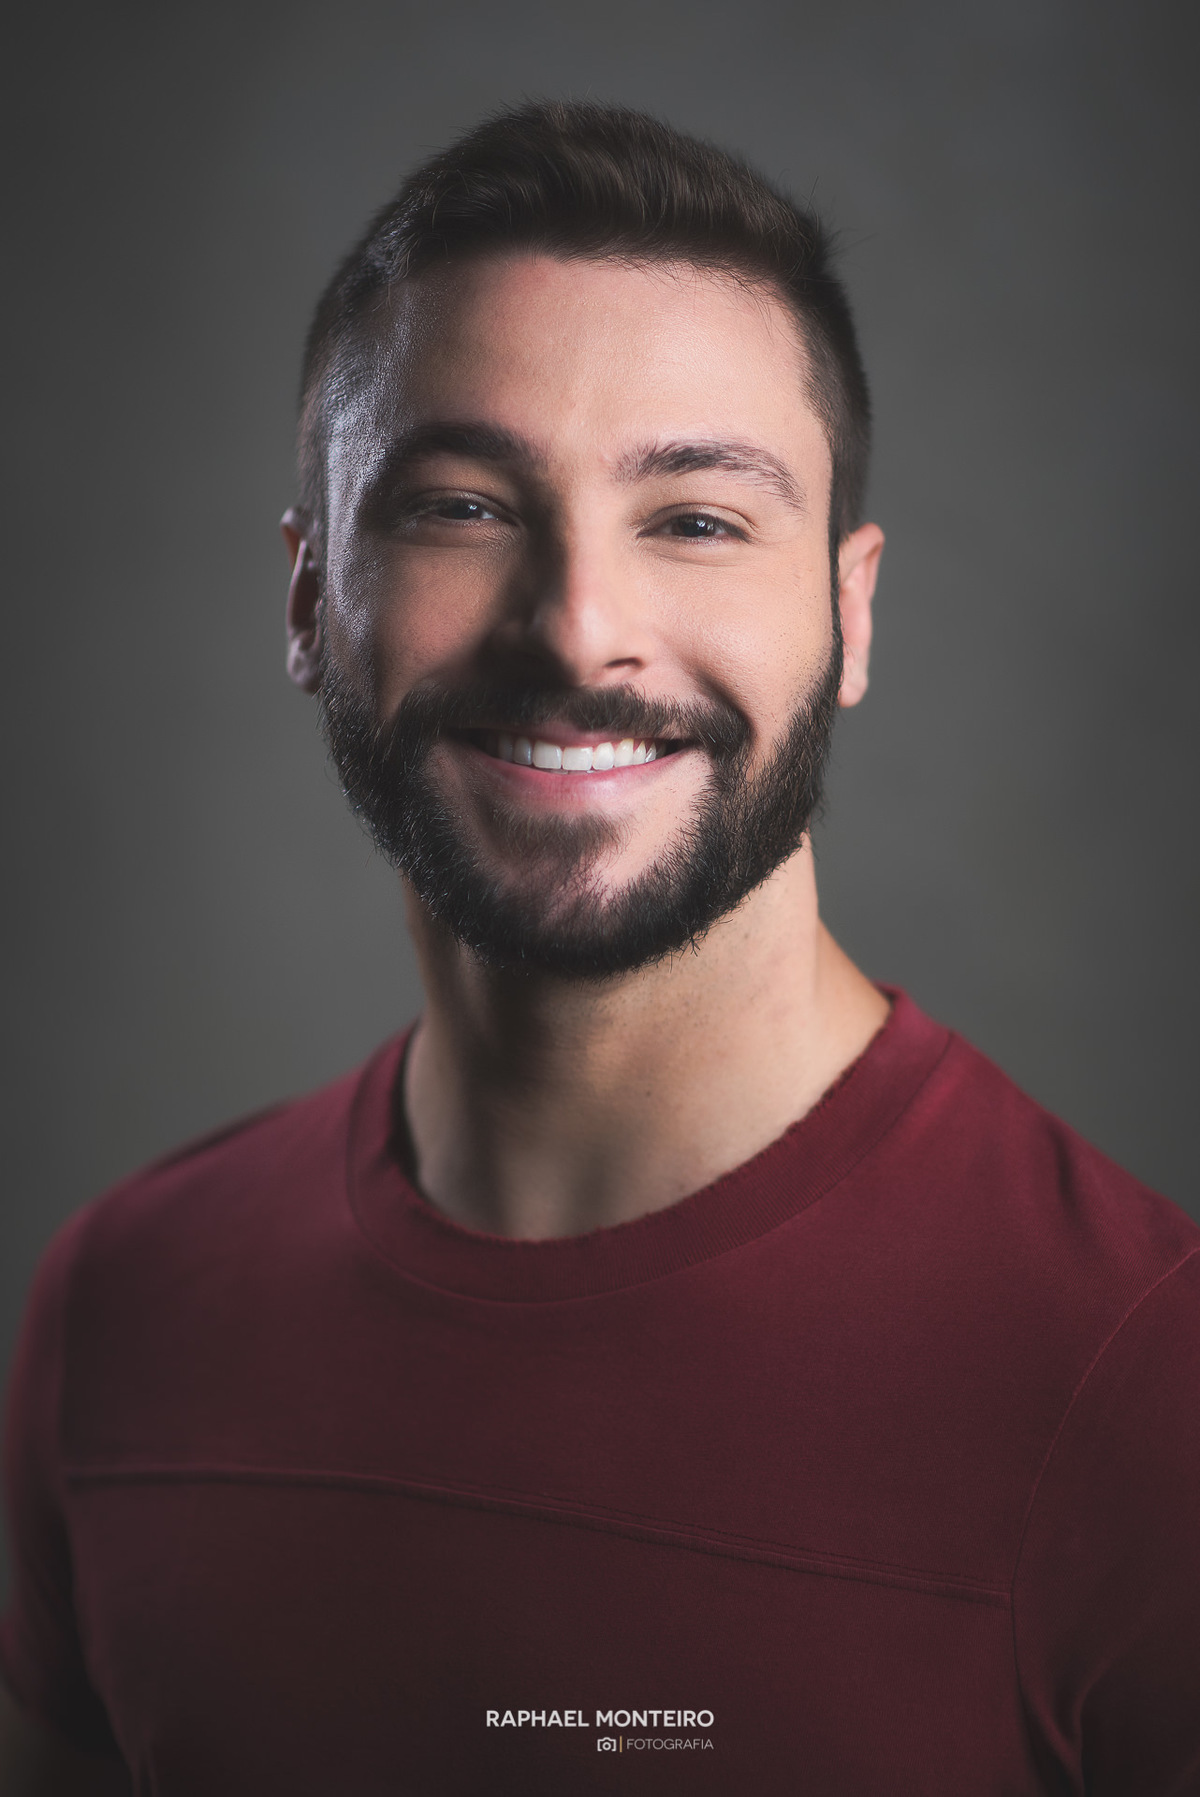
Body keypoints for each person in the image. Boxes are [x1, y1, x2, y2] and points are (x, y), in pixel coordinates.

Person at [1, 100, 1197, 1797]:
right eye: (462, 506)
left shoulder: (1147, 1384)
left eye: (696, 518)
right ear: (308, 597)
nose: (576, 628)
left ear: (850, 610)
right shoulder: (121, 1313)